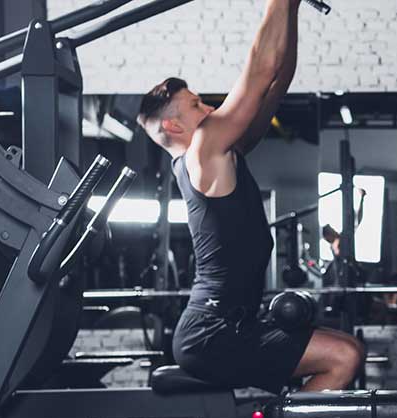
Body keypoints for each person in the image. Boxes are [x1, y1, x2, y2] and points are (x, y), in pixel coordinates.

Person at [136, 0, 362, 393]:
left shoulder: (220, 155)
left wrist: (289, 10)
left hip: (229, 326)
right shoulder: (202, 151)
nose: (208, 108)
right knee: (344, 356)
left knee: (345, 350)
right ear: (173, 125)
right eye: (196, 104)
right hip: (212, 334)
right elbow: (260, 70)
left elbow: (277, 79)